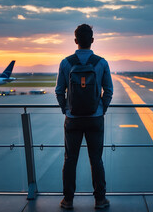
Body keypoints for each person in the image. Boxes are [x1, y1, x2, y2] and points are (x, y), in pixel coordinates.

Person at [55, 24, 113, 209]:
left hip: (73, 119)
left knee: (70, 159)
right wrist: (101, 109)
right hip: (95, 118)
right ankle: (100, 200)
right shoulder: (102, 62)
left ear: (75, 41)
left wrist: (67, 109)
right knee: (96, 160)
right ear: (92, 40)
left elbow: (58, 91)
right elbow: (109, 91)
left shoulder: (65, 62)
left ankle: (68, 200)